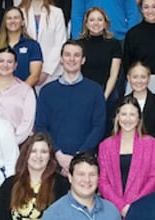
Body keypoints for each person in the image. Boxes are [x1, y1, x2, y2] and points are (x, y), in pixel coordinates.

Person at [36, 41, 108, 174]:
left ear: (83, 60)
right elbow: (41, 126)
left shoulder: (95, 90)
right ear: (61, 59)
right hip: (53, 163)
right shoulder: (47, 91)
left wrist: (79, 157)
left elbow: (99, 126)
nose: (72, 59)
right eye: (67, 55)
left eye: (76, 55)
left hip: (86, 164)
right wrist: (58, 155)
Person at [98, 97, 155, 217]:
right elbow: (103, 181)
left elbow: (154, 178)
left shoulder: (151, 144)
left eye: (132, 114)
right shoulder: (105, 145)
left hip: (143, 209)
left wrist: (133, 206)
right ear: (117, 117)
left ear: (139, 118)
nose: (127, 119)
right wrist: (121, 206)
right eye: (123, 114)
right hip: (113, 211)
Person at [22, 0, 69, 84]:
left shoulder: (56, 13)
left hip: (52, 72)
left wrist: (46, 71)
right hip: (25, 70)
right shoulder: (21, 13)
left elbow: (60, 43)